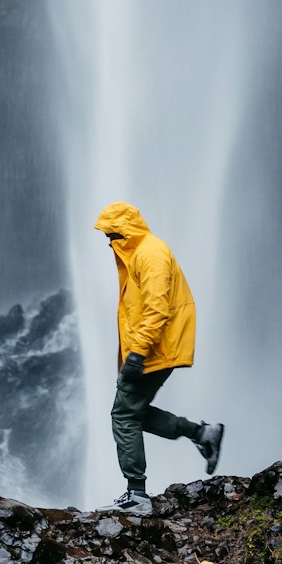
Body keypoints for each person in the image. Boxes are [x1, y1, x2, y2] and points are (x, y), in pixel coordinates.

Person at [94, 201, 224, 516]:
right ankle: (202, 434)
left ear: (125, 231)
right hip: (154, 347)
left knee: (124, 416)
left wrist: (137, 352)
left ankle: (137, 495)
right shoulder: (141, 252)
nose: (109, 242)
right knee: (132, 412)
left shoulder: (149, 254)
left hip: (154, 349)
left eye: (112, 235)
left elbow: (156, 307)